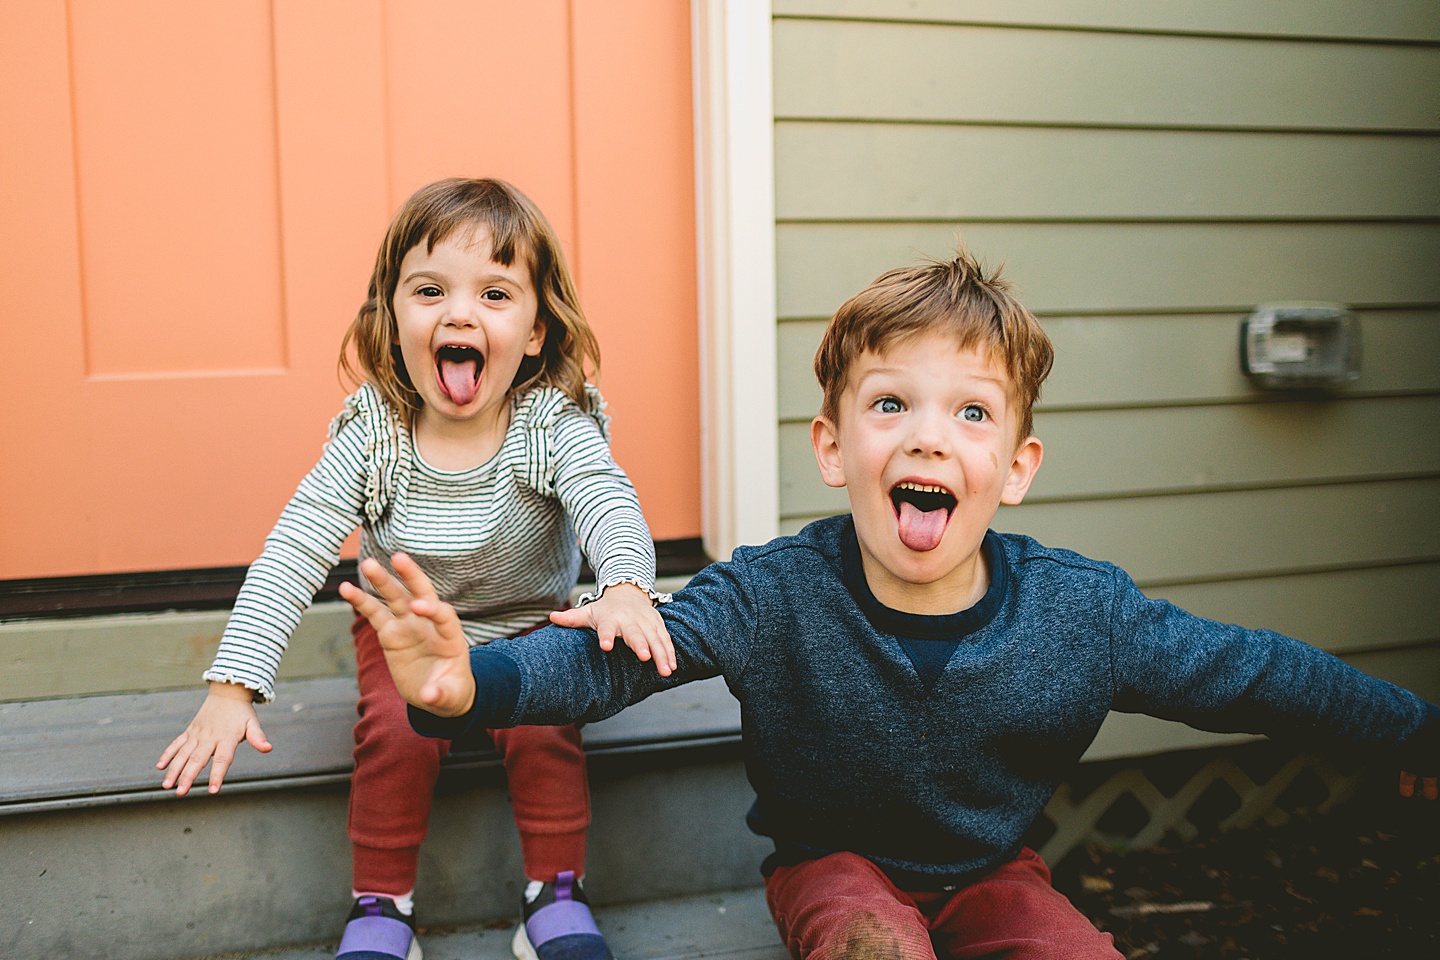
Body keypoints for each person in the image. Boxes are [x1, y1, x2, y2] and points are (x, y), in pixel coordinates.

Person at [343, 246, 1439, 960]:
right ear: (833, 447)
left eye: (971, 413)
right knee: (873, 945)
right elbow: (622, 654)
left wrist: (1411, 727)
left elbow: (1248, 671)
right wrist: (465, 684)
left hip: (993, 869)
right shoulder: (776, 593)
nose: (926, 435)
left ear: (1015, 467)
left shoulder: (1079, 615)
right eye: (889, 404)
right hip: (834, 869)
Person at [157, 178, 675, 960]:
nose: (460, 313)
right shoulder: (376, 433)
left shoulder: (549, 421)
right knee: (396, 734)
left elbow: (606, 499)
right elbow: (295, 546)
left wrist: (626, 586)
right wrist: (233, 687)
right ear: (393, 316)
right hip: (403, 632)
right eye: (430, 290)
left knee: (546, 734)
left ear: (536, 332)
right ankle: (381, 906)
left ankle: (555, 894)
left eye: (495, 294)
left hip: (528, 623)